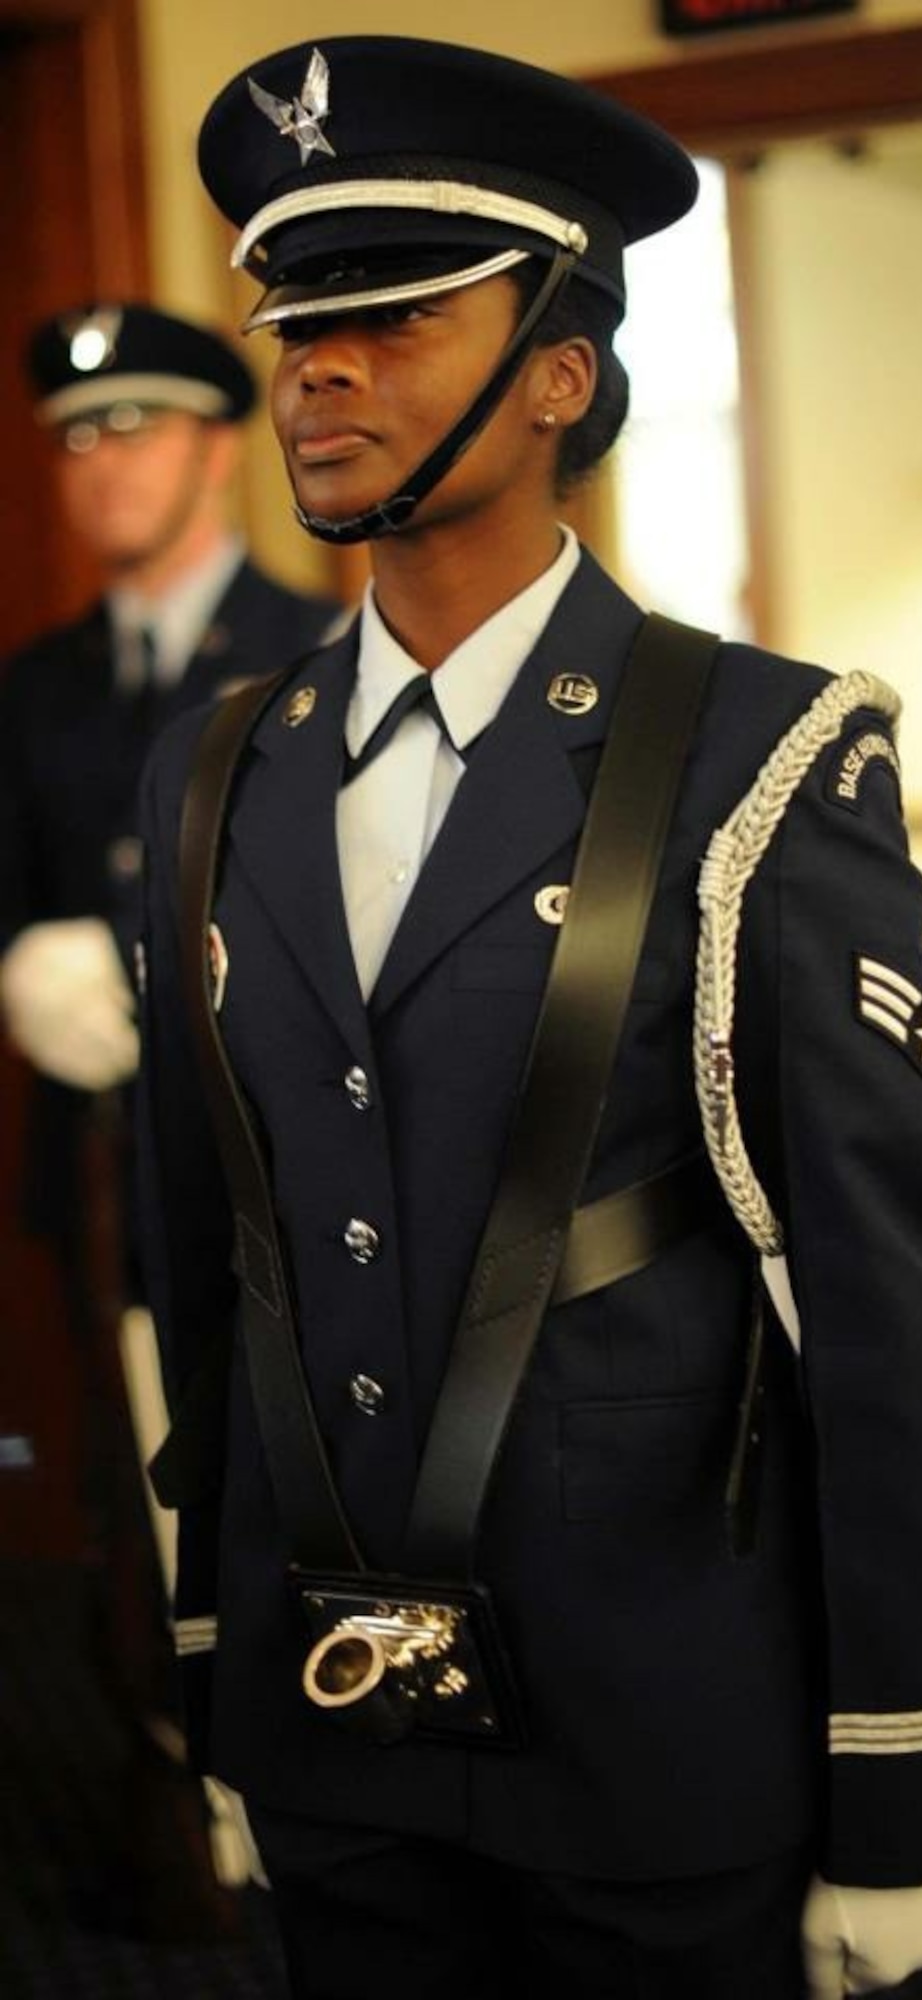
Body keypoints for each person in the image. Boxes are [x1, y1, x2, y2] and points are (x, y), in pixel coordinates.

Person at [135, 35, 922, 1998]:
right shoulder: (213, 768)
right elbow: (205, 1257)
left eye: (396, 319)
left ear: (558, 376)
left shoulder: (759, 754)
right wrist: (217, 1664)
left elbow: (860, 1307)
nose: (319, 368)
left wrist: (904, 1782)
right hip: (332, 1717)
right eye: (297, 325)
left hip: (657, 1742)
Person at [0, 300, 337, 1935]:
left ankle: (296, 1801)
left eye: (135, 426)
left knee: (285, 1482)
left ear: (217, 445)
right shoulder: (39, 687)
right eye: (76, 437)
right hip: (95, 1174)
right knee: (120, 1507)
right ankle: (154, 1816)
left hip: (271, 1177)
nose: (101, 463)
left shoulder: (319, 647)